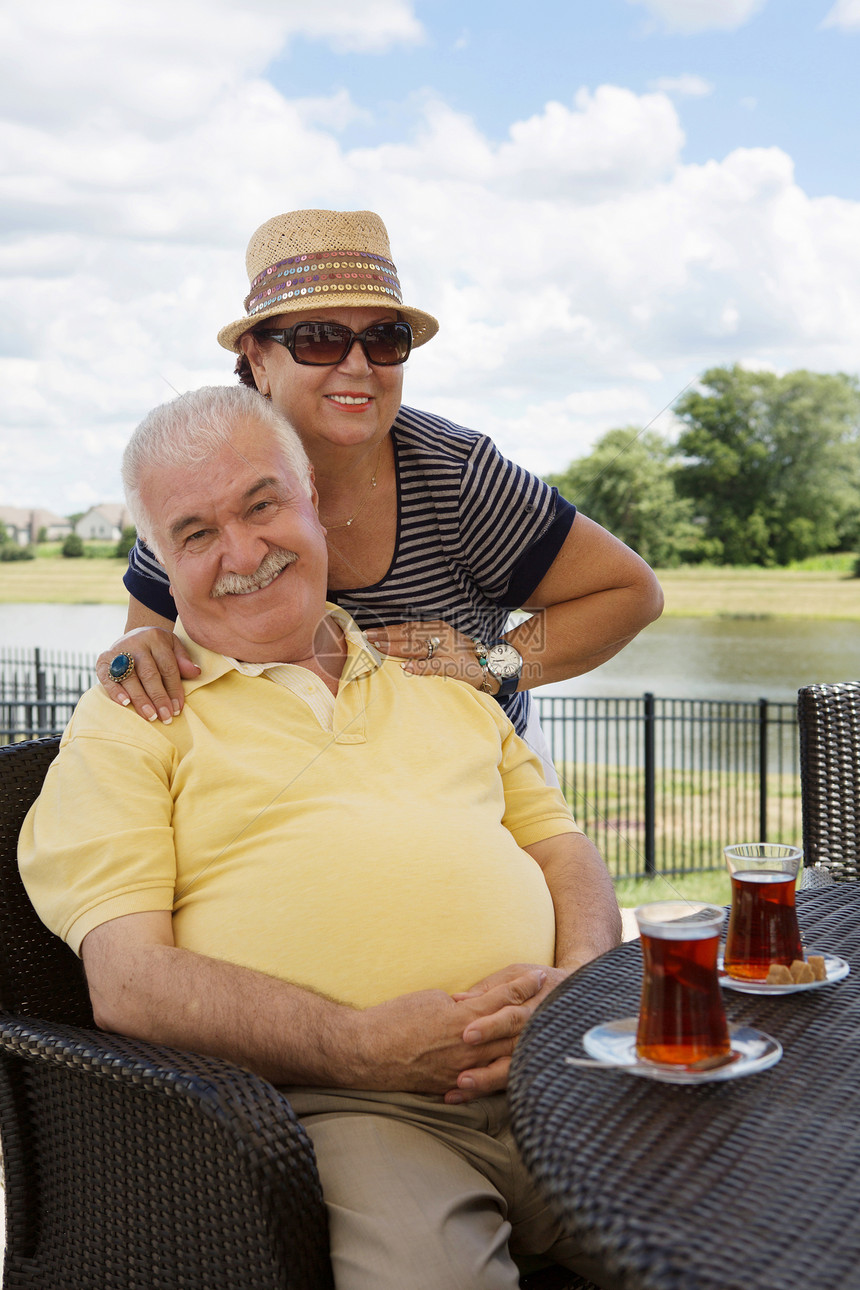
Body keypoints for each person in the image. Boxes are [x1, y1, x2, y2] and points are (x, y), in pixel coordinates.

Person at [20, 385, 621, 1290]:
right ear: (161, 563)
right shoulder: (133, 719)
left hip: (561, 1073)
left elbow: (565, 851)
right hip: (355, 1109)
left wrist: (574, 991)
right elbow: (129, 982)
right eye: (196, 533)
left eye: (262, 505)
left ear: (313, 504)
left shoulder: (443, 677)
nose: (244, 552)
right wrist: (356, 1044)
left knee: (757, 1225)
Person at [97, 208, 663, 781]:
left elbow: (629, 592)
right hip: (289, 790)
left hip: (477, 784)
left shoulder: (456, 475)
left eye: (384, 339)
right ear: (256, 358)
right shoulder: (203, 474)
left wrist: (493, 663)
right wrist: (139, 649)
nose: (359, 365)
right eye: (320, 340)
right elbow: (154, 648)